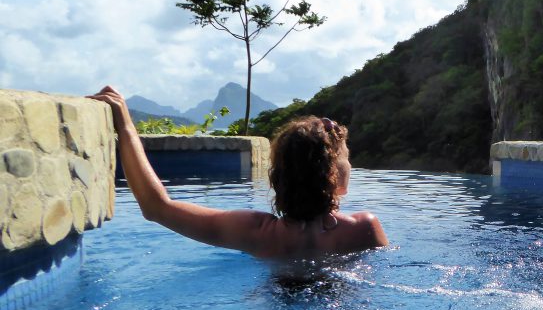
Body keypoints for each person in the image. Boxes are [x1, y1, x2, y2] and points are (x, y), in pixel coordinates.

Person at [88, 86, 387, 259]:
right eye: (347, 158)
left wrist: (125, 126)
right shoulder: (363, 229)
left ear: (278, 177)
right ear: (336, 177)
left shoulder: (255, 232)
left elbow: (157, 208)